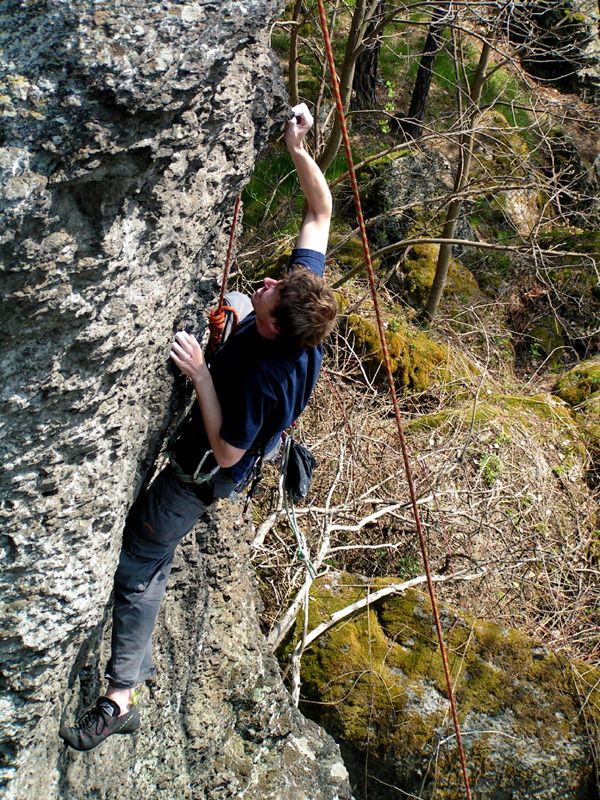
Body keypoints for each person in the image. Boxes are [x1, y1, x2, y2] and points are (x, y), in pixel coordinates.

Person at [59, 103, 337, 751]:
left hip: (206, 469)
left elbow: (227, 444)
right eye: (277, 282)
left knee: (139, 564)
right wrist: (298, 148)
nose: (267, 282)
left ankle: (120, 694)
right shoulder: (300, 304)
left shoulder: (264, 374)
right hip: (244, 401)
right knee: (229, 302)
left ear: (273, 331)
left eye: (266, 295)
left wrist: (202, 375)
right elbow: (321, 213)